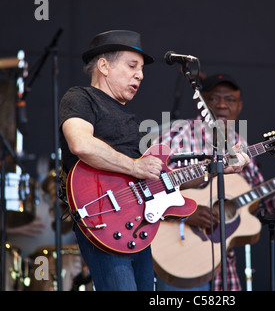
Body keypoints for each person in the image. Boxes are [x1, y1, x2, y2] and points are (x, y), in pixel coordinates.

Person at [58, 30, 249, 291]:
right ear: (104, 65)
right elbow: (80, 143)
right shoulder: (80, 98)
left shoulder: (132, 120)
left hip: (138, 228)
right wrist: (135, 166)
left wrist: (218, 168)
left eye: (142, 70)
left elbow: (165, 182)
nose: (140, 75)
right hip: (102, 218)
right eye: (132, 66)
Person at [156, 73, 275, 291]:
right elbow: (148, 187)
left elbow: (258, 207)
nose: (222, 105)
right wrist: (185, 212)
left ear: (240, 106)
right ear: (202, 103)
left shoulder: (240, 145)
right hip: (178, 258)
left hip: (223, 268)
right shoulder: (177, 136)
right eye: (214, 99)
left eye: (230, 100)